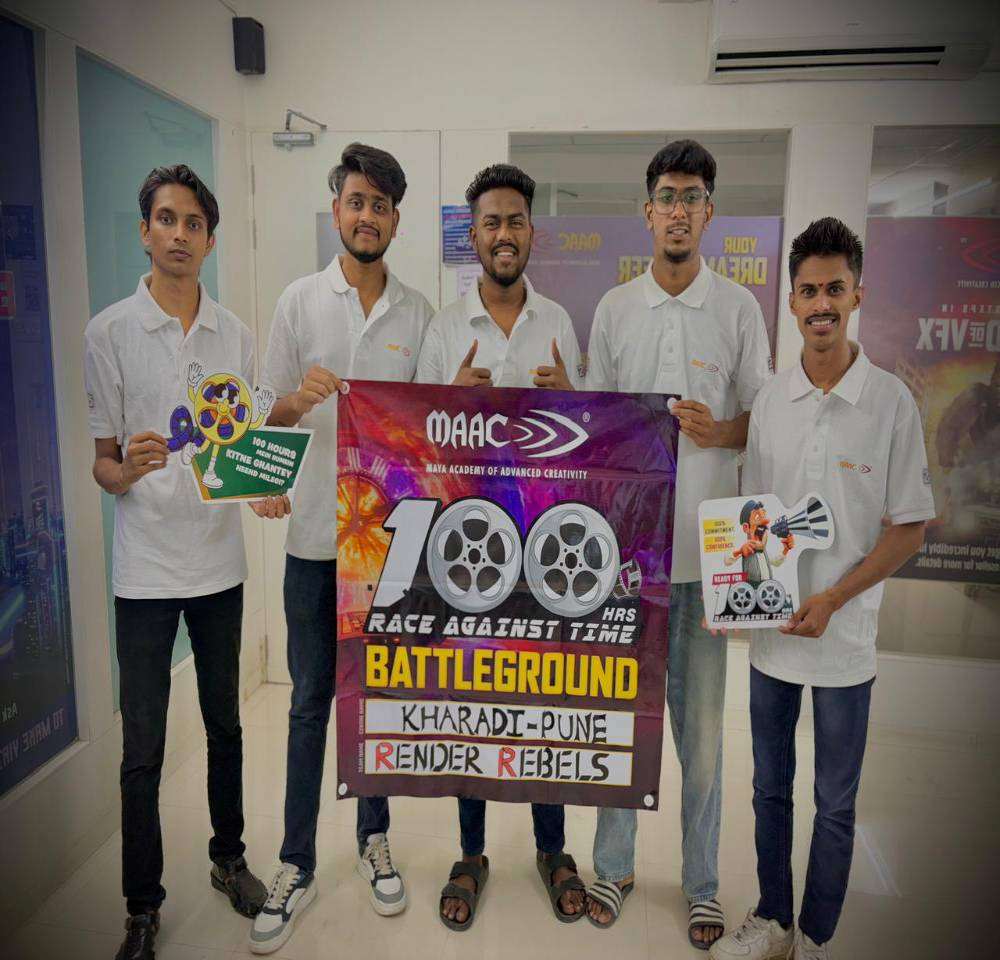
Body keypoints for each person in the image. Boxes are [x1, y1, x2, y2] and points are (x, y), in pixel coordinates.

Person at [709, 218, 934, 960]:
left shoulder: (891, 403)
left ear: (857, 294)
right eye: (808, 291)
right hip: (773, 640)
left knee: (834, 804)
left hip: (847, 642)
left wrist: (834, 599)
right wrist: (732, 594)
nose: (821, 304)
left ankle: (817, 937)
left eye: (835, 289)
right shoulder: (772, 402)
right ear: (792, 301)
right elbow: (753, 521)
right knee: (769, 790)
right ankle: (774, 918)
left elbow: (909, 528)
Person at [85, 164, 278, 960]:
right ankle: (142, 905)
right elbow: (102, 465)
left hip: (218, 565)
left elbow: (244, 451)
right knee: (143, 750)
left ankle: (228, 859)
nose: (179, 234)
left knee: (226, 726)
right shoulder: (109, 333)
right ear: (145, 231)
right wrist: (126, 469)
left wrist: (264, 490)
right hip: (144, 572)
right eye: (166, 219)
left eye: (194, 223)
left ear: (209, 239)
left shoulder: (235, 335)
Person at [586, 140, 771, 945]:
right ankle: (613, 866)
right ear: (647, 210)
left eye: (692, 197)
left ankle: (701, 884)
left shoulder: (737, 309)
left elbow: (769, 420)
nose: (678, 211)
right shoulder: (614, 310)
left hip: (708, 562)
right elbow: (592, 433)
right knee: (622, 724)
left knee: (703, 741)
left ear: (708, 212)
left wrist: (721, 430)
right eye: (666, 196)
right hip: (628, 563)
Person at [249, 144, 433, 955]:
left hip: (389, 550)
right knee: (308, 702)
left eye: (381, 206)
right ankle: (295, 862)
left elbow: (432, 430)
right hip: (313, 544)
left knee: (374, 700)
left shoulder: (418, 312)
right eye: (356, 202)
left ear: (395, 220)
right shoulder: (298, 302)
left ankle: (373, 837)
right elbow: (261, 415)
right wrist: (296, 401)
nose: (367, 216)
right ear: (338, 212)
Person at [416, 163, 585, 930]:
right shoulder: (445, 329)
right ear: (474, 234)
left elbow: (589, 443)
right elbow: (415, 442)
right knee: (472, 697)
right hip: (469, 550)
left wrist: (571, 403)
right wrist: (449, 402)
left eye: (516, 220)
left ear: (531, 232)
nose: (504, 233)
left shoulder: (559, 322)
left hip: (545, 548)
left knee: (544, 694)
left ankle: (552, 848)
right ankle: (472, 853)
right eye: (491, 222)